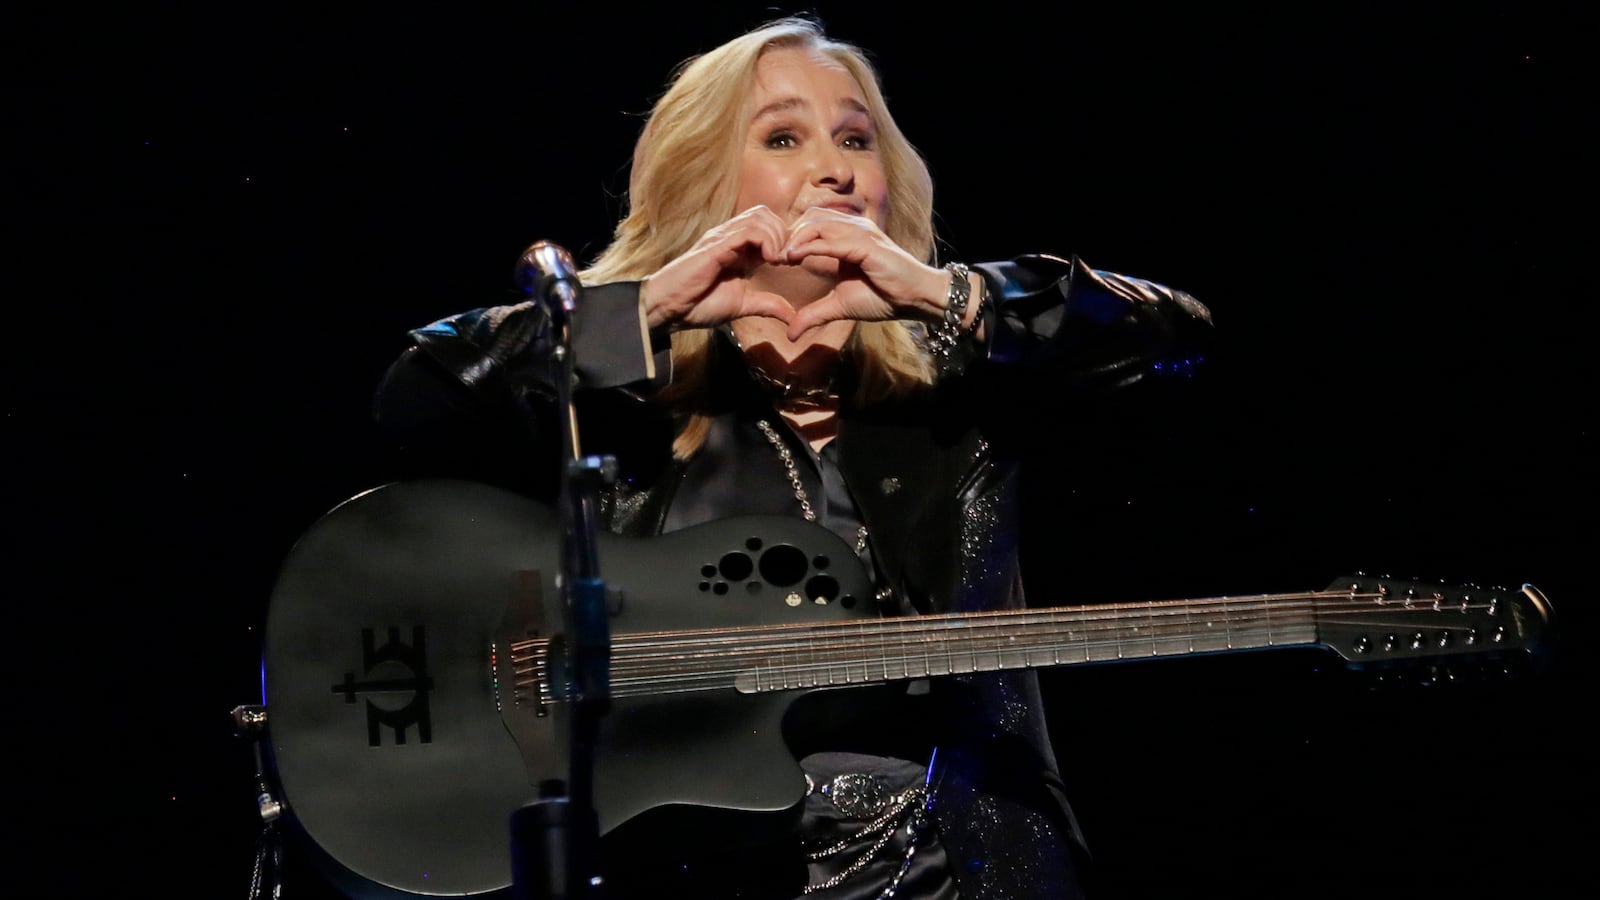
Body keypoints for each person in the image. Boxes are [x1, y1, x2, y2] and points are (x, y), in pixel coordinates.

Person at [372, 15, 1212, 900]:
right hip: (688, 871)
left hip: (962, 869)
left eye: (857, 138)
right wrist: (639, 312)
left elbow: (1178, 338)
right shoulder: (622, 401)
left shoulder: (963, 385)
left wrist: (941, 294)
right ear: (706, 186)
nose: (836, 168)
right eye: (783, 137)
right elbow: (414, 400)